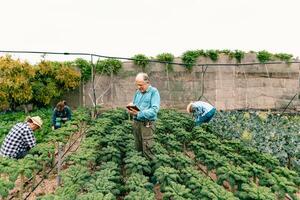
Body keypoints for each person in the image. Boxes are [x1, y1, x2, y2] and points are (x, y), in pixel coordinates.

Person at [127, 73, 160, 160]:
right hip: (136, 123)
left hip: (147, 125)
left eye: (140, 85)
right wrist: (131, 107)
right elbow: (135, 105)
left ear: (147, 82)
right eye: (137, 85)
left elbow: (154, 111)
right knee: (138, 147)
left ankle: (149, 170)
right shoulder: (137, 92)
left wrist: (138, 113)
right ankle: (140, 171)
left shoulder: (154, 92)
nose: (138, 87)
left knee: (147, 148)